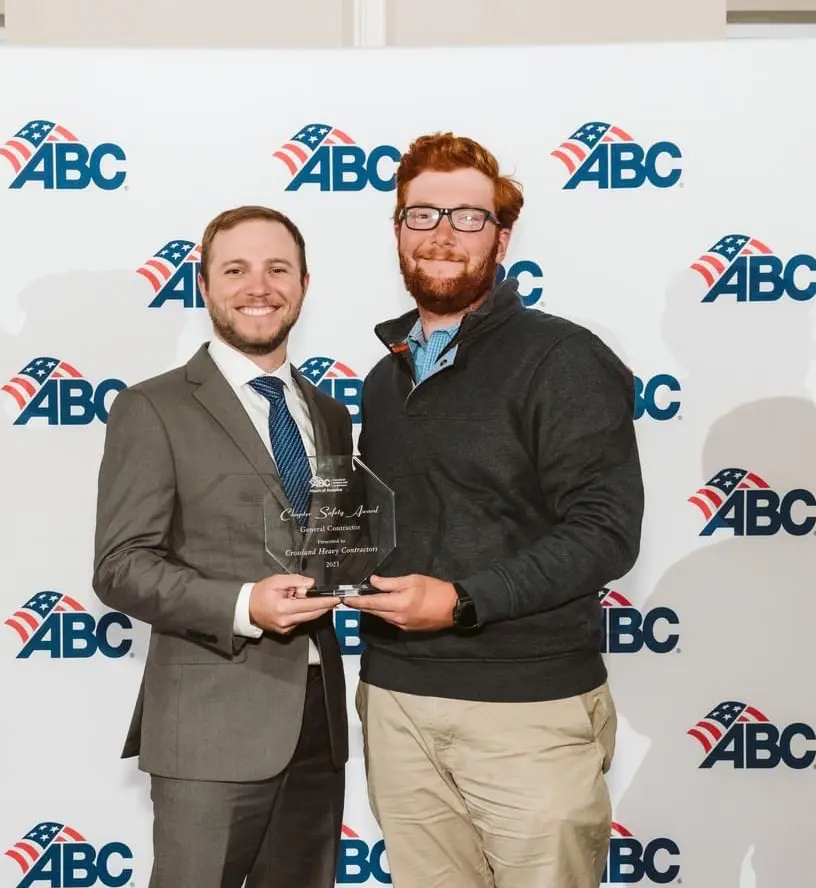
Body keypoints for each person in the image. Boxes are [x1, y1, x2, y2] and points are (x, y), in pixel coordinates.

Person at [343, 132, 644, 888]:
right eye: (421, 215)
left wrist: (463, 600)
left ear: (502, 237)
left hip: (526, 713)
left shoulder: (562, 358)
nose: (442, 234)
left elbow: (606, 530)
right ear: (397, 231)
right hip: (396, 701)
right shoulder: (384, 379)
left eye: (467, 218)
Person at [92, 205, 351, 888]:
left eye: (277, 269)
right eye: (235, 269)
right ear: (204, 285)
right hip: (207, 730)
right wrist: (243, 605)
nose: (257, 286)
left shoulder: (329, 414)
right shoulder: (154, 408)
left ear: (304, 283)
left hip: (318, 728)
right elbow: (120, 566)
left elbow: (330, 545)